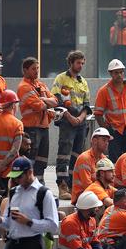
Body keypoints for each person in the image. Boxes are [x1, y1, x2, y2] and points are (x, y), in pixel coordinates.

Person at [52, 50, 92, 199]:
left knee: (77, 154)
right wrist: (69, 117)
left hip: (80, 123)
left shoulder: (83, 82)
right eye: (78, 63)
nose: (80, 65)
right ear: (71, 63)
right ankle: (62, 185)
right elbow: (57, 99)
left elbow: (87, 104)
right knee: (64, 154)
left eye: (82, 63)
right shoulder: (61, 78)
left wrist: (81, 118)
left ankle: (72, 185)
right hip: (67, 122)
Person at [17, 57, 58, 184]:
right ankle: (29, 184)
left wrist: (43, 99)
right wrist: (46, 101)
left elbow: (56, 101)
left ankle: (40, 185)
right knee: (31, 160)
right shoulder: (24, 87)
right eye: (33, 69)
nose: (36, 71)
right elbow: (40, 106)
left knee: (42, 160)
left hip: (44, 127)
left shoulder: (41, 85)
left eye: (38, 68)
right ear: (25, 70)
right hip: (31, 128)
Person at [94, 59, 126, 163]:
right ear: (110, 74)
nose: (119, 75)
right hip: (114, 131)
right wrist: (106, 129)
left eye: (121, 72)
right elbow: (98, 114)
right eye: (116, 73)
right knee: (115, 160)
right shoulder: (104, 91)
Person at [71, 128, 111, 204]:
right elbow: (88, 186)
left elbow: (109, 182)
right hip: (82, 197)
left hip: (97, 195)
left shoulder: (105, 159)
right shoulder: (84, 158)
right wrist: (105, 196)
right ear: (94, 141)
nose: (107, 143)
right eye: (104, 140)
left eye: (107, 141)